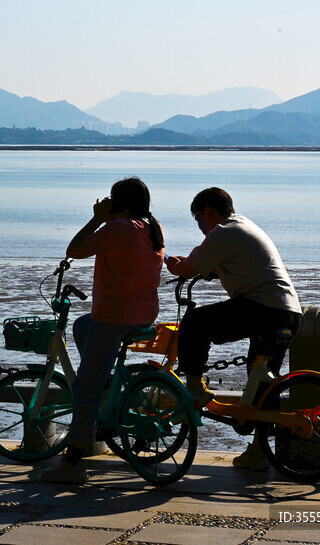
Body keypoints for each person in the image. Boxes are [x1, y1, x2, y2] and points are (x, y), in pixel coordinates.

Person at [38, 177, 165, 483]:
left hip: (114, 317)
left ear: (118, 203)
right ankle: (108, 386)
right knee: (82, 325)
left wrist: (97, 218)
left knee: (85, 388)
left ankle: (73, 463)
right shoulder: (151, 227)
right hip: (142, 314)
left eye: (111, 199)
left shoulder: (120, 228)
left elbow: (75, 249)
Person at [165, 187, 301, 471]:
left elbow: (191, 268)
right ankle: (259, 453)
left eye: (199, 220)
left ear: (209, 213)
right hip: (286, 312)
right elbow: (217, 267)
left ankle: (195, 389)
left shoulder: (223, 232)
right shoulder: (243, 226)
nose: (201, 228)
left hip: (262, 308)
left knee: (195, 322)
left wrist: (176, 266)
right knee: (262, 384)